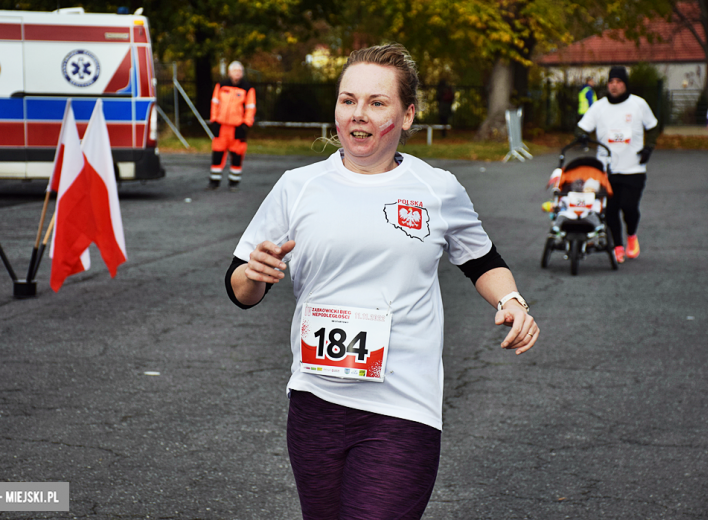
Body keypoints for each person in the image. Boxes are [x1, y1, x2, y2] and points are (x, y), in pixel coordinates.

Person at [224, 44, 539, 519]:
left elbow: (482, 261)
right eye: (348, 100)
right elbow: (241, 289)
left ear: (407, 114)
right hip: (315, 403)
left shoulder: (437, 189)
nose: (359, 114)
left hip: (403, 407)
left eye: (377, 102)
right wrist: (253, 272)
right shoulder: (298, 186)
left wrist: (512, 300)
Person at [576, 66, 658, 264]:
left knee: (629, 207)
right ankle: (618, 247)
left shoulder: (638, 104)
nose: (614, 85)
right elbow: (581, 128)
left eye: (619, 82)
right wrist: (582, 137)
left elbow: (653, 127)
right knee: (610, 209)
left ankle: (631, 236)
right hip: (607, 168)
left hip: (634, 167)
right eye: (611, 82)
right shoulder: (599, 106)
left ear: (625, 84)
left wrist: (648, 148)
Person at [207, 61, 256, 192]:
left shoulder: (247, 88)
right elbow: (214, 104)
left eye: (239, 71)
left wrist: (245, 125)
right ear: (229, 72)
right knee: (217, 154)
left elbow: (250, 108)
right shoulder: (221, 86)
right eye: (235, 71)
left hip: (237, 127)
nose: (237, 74)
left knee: (237, 155)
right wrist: (214, 121)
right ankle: (214, 181)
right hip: (221, 126)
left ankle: (234, 182)